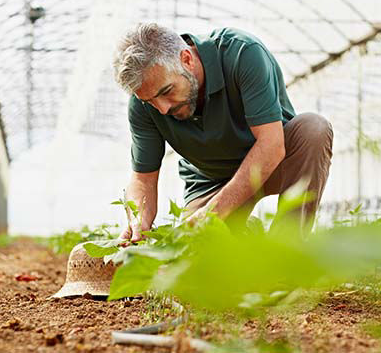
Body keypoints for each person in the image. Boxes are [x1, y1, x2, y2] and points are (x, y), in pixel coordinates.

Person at [112, 23, 332, 240]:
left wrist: (215, 212)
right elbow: (143, 179)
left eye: (167, 91)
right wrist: (138, 221)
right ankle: (246, 233)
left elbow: (271, 145)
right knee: (203, 256)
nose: (163, 108)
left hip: (274, 162)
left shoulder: (242, 53)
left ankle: (287, 249)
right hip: (210, 183)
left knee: (314, 129)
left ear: (186, 59)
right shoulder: (142, 105)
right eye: (149, 101)